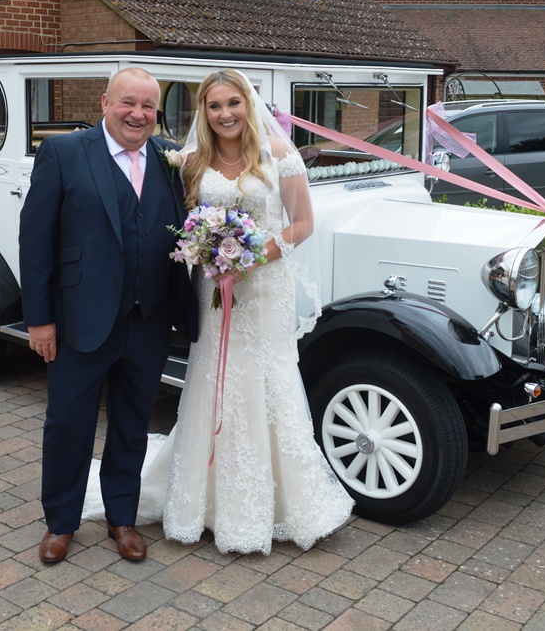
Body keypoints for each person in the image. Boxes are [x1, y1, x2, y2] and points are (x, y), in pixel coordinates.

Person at [83, 69, 353, 555]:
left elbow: (304, 223)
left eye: (233, 103)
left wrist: (250, 256)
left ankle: (280, 503)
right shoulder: (190, 162)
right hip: (211, 290)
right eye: (214, 106)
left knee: (264, 382)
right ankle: (202, 501)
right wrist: (208, 254)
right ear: (203, 113)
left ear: (249, 105)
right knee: (215, 381)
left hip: (263, 289)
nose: (225, 114)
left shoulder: (279, 157)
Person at [19, 67, 197, 565]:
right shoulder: (64, 153)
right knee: (67, 423)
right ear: (104, 102)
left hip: (149, 318)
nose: (137, 114)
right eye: (127, 102)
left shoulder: (169, 158)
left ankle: (122, 516)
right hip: (81, 320)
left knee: (132, 424)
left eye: (147, 106)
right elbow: (36, 243)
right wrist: (40, 320)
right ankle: (60, 522)